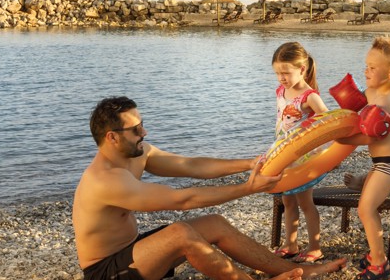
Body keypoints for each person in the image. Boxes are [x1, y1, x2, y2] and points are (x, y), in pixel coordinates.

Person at [73, 96, 347, 280]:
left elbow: (192, 166)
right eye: (135, 129)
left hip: (133, 250)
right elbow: (183, 199)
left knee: (213, 223)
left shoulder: (138, 153)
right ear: (111, 137)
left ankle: (296, 271)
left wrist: (249, 163)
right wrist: (248, 188)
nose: (143, 133)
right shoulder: (105, 180)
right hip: (106, 270)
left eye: (142, 124)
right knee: (180, 233)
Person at [334, 37, 390, 280]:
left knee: (365, 209)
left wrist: (342, 140)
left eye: (372, 67)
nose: (365, 70)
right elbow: (353, 113)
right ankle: (363, 182)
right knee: (366, 206)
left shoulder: (389, 101)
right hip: (380, 164)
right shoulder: (374, 93)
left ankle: (379, 263)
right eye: (366, 65)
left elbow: (371, 139)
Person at [270, 42, 330, 263]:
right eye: (277, 73)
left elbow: (327, 120)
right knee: (288, 202)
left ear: (302, 69)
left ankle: (315, 247)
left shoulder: (309, 96)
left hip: (304, 158)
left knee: (305, 202)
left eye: (286, 72)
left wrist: (312, 133)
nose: (281, 78)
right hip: (283, 153)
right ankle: (291, 243)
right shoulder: (281, 90)